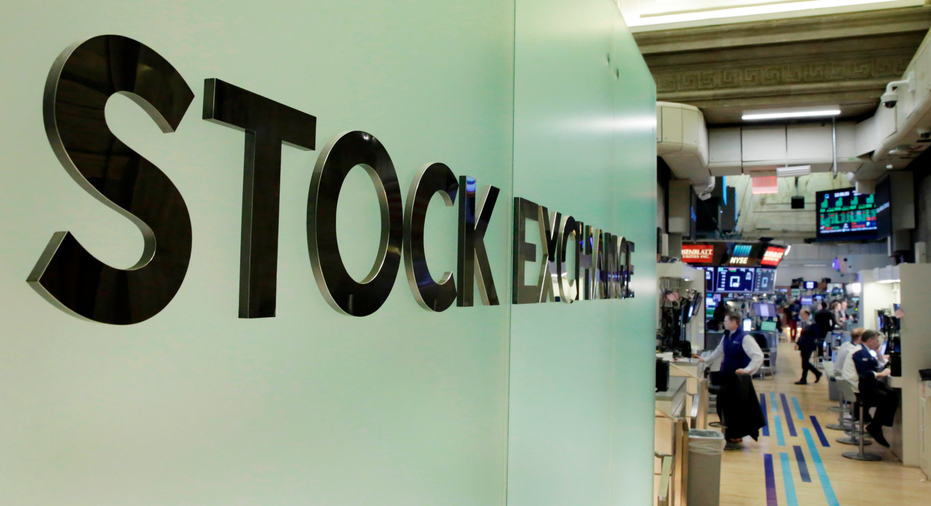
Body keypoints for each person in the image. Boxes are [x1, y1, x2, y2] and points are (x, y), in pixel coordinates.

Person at [699, 309, 764, 445]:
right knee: (723, 406)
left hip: (737, 380)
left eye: (726, 321)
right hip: (725, 377)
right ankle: (728, 434)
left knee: (735, 408)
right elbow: (718, 352)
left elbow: (758, 356)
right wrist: (705, 360)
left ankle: (735, 435)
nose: (724, 323)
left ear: (734, 322)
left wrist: (747, 370)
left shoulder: (745, 338)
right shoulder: (727, 336)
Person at [842, 330, 897, 447]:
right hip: (859, 388)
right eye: (876, 341)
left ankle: (874, 424)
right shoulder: (859, 353)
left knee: (891, 395)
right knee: (889, 399)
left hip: (861, 385)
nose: (878, 343)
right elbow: (865, 375)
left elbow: (876, 366)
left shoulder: (864, 352)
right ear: (870, 340)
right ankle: (875, 427)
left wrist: (878, 354)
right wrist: (881, 374)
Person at [795, 308, 823, 384]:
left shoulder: (812, 324)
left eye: (802, 314)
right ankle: (816, 373)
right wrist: (798, 343)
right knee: (805, 361)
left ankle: (804, 378)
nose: (801, 316)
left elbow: (814, 335)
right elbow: (802, 334)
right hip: (804, 344)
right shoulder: (806, 323)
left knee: (805, 362)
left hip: (808, 345)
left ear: (806, 314)